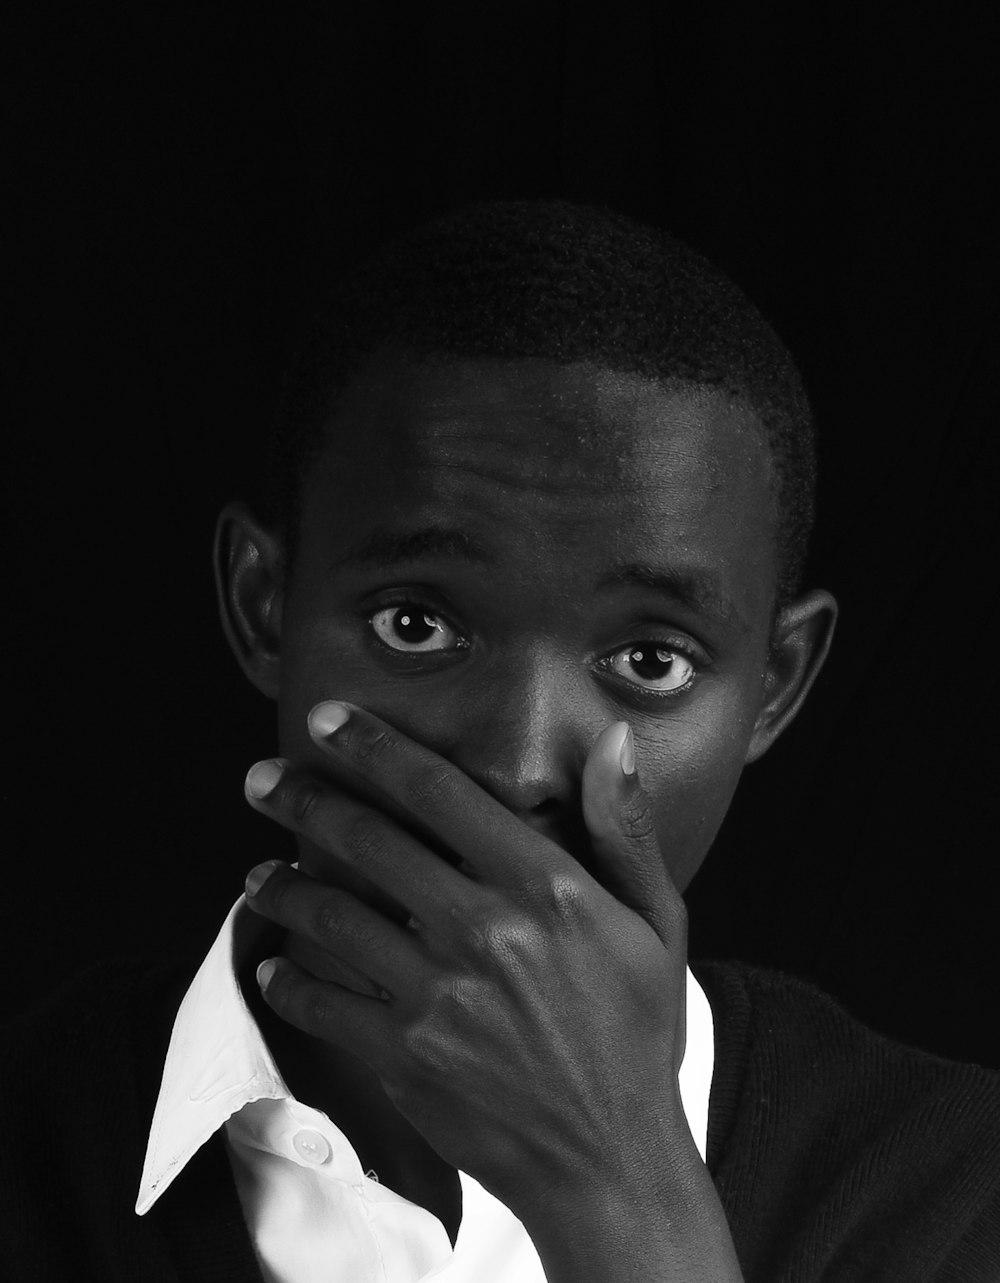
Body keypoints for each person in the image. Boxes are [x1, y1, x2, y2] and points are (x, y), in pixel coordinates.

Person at [2, 200, 998, 1282]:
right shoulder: (38, 1148)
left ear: (775, 685)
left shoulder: (957, 1191)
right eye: (415, 625)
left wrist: (619, 1193)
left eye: (650, 661)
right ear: (262, 607)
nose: (519, 765)